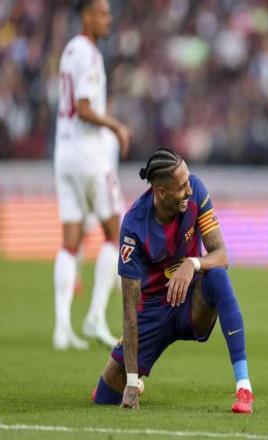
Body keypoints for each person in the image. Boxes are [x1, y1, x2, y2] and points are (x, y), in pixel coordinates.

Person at [91, 148, 254, 413]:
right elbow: (129, 308)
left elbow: (222, 255)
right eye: (181, 187)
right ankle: (135, 381)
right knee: (104, 396)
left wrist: (193, 263)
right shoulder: (133, 226)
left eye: (188, 181)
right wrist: (130, 382)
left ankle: (244, 388)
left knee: (217, 276)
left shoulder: (196, 192)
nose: (189, 190)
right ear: (161, 192)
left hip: (191, 302)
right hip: (152, 312)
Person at [53, 0, 131, 350]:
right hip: (89, 156)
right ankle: (96, 315)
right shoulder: (88, 54)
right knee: (117, 232)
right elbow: (84, 108)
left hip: (64, 153)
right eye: (102, 13)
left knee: (70, 243)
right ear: (86, 16)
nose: (108, 19)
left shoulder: (70, 50)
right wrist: (115, 125)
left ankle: (61, 328)